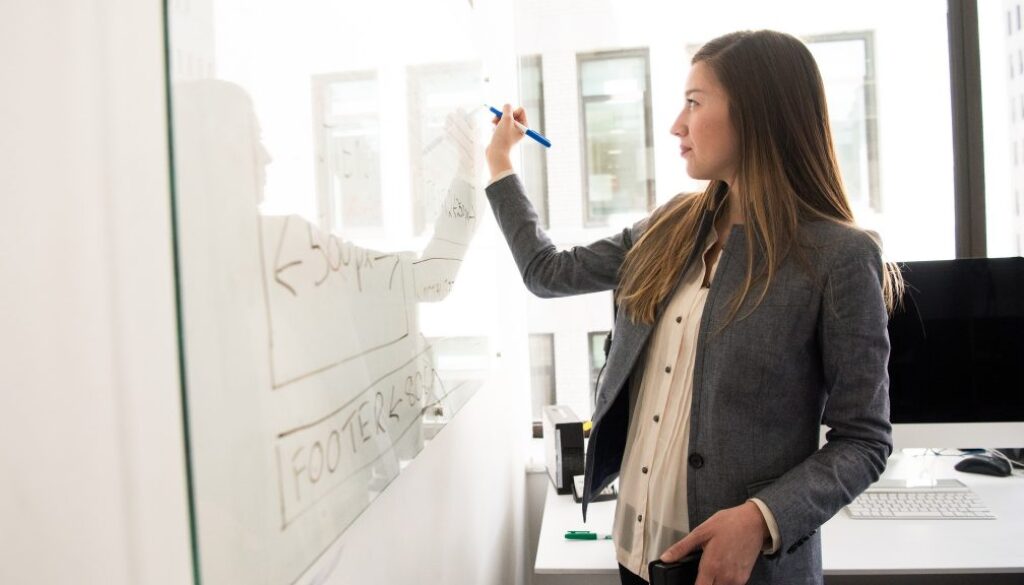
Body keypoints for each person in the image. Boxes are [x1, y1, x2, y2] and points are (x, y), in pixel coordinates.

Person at [484, 30, 901, 585]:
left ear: (757, 113)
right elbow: (548, 273)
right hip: (637, 554)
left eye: (694, 102)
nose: (677, 125)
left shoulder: (839, 257)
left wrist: (761, 518)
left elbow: (864, 441)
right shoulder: (669, 226)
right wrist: (500, 164)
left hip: (743, 571)